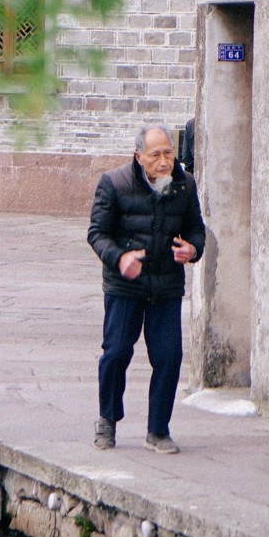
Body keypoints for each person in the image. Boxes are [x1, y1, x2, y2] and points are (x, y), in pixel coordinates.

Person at [88, 125, 206, 454]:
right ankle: (107, 420)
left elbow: (196, 230)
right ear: (139, 157)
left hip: (166, 284)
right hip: (125, 284)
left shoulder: (184, 184)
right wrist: (121, 257)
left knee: (169, 357)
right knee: (116, 353)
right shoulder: (115, 183)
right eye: (156, 155)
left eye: (168, 152)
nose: (164, 161)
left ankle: (158, 430)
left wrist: (193, 250)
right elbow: (97, 233)